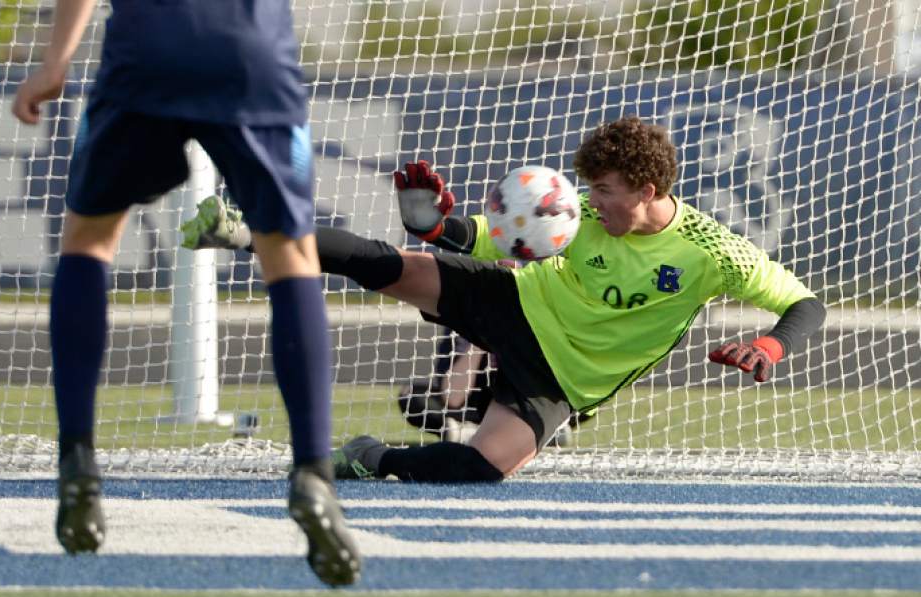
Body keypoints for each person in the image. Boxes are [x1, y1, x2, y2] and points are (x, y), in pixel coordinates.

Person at [182, 116, 827, 483]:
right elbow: (485, 237)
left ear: (648, 187)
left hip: (561, 377)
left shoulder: (711, 251)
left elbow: (806, 304)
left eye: (602, 188)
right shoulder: (582, 219)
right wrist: (433, 225)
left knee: (485, 468)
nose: (589, 200)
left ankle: (370, 456)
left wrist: (770, 345)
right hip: (515, 302)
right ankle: (245, 230)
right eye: (587, 187)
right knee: (388, 266)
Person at [11, 0, 359, 585]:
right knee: (290, 256)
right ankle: (312, 473)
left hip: (147, 52)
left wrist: (55, 61)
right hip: (250, 56)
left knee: (90, 240)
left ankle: (77, 457)